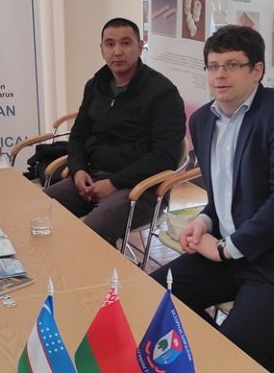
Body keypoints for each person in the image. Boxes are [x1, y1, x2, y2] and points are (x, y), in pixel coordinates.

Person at [151, 25, 274, 373]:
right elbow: (224, 196)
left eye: (232, 65)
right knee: (152, 298)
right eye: (213, 66)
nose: (220, 75)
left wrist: (224, 248)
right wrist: (205, 220)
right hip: (235, 256)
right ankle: (246, 356)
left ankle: (242, 355)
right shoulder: (202, 121)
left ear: (257, 70)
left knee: (232, 353)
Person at [44, 17, 185, 246]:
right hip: (92, 178)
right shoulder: (95, 85)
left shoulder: (162, 93)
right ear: (102, 50)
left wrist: (115, 182)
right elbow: (78, 136)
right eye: (110, 44)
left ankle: (96, 269)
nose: (117, 51)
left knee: (94, 229)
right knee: (41, 207)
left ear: (140, 46)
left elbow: (164, 156)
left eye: (126, 43)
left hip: (141, 189)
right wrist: (78, 170)